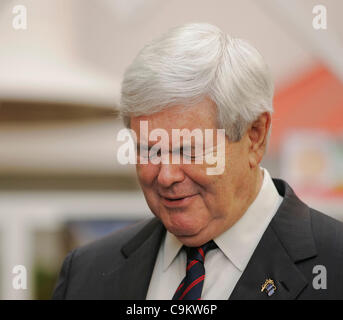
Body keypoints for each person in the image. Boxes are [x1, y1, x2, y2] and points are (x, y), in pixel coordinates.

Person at [52, 23, 343, 300]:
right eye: (149, 150)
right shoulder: (86, 274)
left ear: (255, 136)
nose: (166, 176)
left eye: (189, 149)